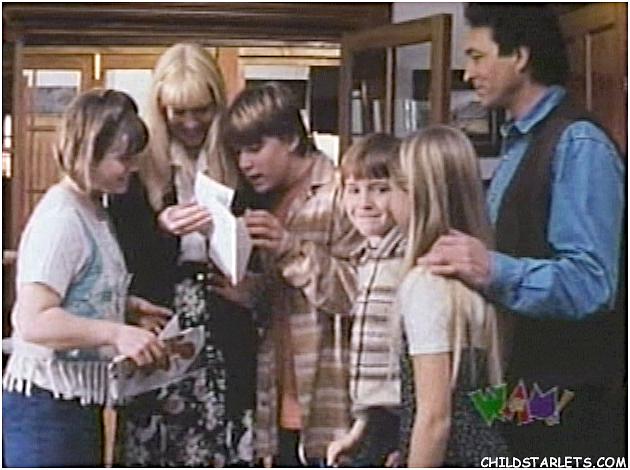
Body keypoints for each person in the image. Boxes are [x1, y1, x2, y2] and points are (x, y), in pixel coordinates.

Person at [418, 4, 625, 459]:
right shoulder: (520, 143)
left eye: (477, 56)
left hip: (571, 399)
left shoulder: (578, 143)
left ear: (521, 56)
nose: (469, 73)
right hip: (524, 388)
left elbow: (593, 284)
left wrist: (491, 269)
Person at [108, 43, 259, 467]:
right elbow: (121, 261)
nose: (191, 123)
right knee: (154, 441)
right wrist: (162, 230)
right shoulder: (136, 169)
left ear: (218, 105)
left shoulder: (238, 160)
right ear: (161, 110)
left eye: (202, 111)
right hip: (161, 326)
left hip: (226, 323)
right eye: (179, 112)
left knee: (225, 437)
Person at [2, 89, 169, 467]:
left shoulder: (93, 206)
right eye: (122, 158)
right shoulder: (61, 218)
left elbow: (76, 290)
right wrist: (115, 333)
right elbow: (33, 320)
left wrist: (124, 308)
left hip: (75, 402)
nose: (132, 168)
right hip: (44, 405)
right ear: (88, 151)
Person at [223, 82, 363, 466]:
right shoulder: (265, 200)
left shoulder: (343, 193)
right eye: (238, 152)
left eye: (255, 148)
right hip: (279, 399)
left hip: (334, 403)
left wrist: (291, 248)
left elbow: (362, 295)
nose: (244, 163)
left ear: (290, 138)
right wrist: (251, 293)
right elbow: (289, 302)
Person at [389, 125, 509, 466]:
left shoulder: (427, 284)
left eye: (389, 188)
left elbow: (435, 418)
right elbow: (484, 403)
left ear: (411, 194)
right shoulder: (482, 281)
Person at [325, 134, 404, 468]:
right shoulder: (366, 259)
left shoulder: (408, 260)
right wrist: (359, 428)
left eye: (380, 189)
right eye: (354, 190)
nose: (364, 203)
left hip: (405, 417)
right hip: (376, 418)